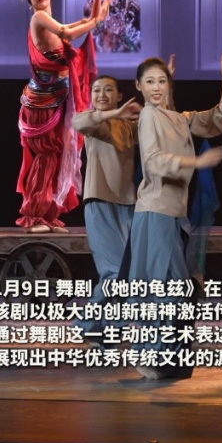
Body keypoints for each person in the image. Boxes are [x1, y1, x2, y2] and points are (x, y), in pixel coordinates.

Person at [128, 48, 222, 379]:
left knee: (173, 290)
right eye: (150, 82)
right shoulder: (148, 116)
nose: (156, 87)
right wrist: (196, 162)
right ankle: (149, 355)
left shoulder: (178, 118)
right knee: (164, 288)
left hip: (174, 214)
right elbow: (154, 161)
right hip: (156, 211)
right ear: (139, 86)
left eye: (162, 81)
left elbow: (218, 119)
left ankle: (161, 357)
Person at [16, 0, 112, 233]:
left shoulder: (50, 20)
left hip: (57, 99)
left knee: (57, 157)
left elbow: (86, 22)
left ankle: (48, 215)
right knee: (47, 156)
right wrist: (97, 21)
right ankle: (33, 216)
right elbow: (71, 34)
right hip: (42, 104)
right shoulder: (39, 19)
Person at [71, 75, 142, 337]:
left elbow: (161, 126)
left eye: (108, 90)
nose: (101, 94)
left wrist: (166, 88)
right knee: (113, 272)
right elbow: (78, 121)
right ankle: (87, 324)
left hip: (128, 205)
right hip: (100, 202)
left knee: (130, 273)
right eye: (96, 90)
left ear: (120, 95)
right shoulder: (96, 122)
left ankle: (112, 327)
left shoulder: (129, 126)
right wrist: (115, 113)